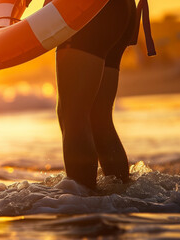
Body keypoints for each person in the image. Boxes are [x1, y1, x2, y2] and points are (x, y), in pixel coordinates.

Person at [55, 0, 139, 189]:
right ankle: (123, 196)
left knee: (73, 114)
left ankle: (83, 208)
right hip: (122, 9)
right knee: (98, 118)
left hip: (85, 10)